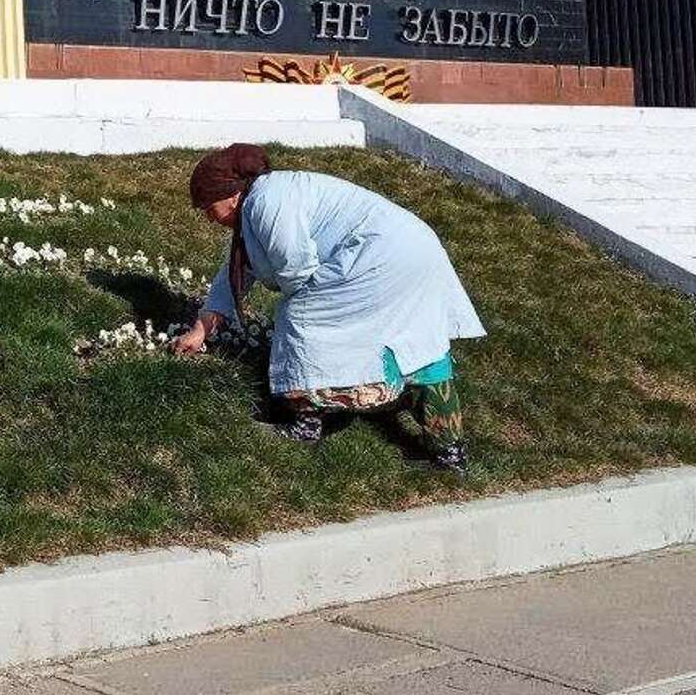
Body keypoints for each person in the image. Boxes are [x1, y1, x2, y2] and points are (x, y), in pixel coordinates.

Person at [171, 143, 484, 473]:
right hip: (417, 248)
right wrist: (201, 329)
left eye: (208, 206)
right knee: (422, 347)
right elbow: (236, 273)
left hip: (380, 256)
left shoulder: (266, 201)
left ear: (230, 193)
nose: (207, 217)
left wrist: (298, 306)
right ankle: (450, 455)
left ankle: (307, 424)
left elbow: (295, 270)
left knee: (300, 320)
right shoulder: (266, 198)